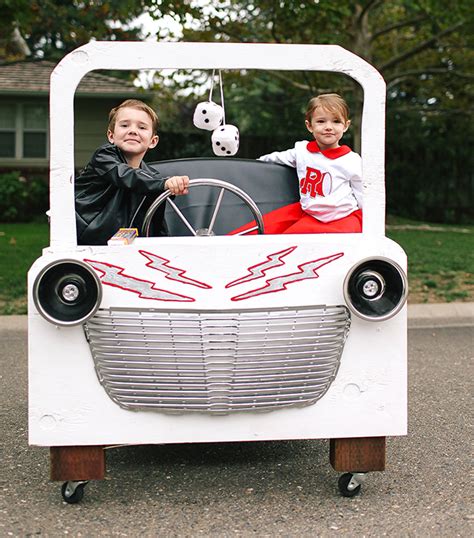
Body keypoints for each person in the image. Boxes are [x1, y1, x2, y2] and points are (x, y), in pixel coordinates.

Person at [231, 93, 362, 235]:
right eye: (321, 121)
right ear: (309, 125)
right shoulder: (302, 151)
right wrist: (255, 163)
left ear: (346, 125)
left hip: (343, 218)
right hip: (311, 216)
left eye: (336, 121)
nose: (328, 127)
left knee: (342, 247)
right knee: (284, 240)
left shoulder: (352, 160)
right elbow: (277, 158)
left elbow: (363, 193)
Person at [75, 99, 189, 245]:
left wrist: (164, 247)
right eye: (124, 125)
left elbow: (155, 220)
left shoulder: (151, 179)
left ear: (153, 141)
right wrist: (164, 183)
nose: (133, 131)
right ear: (111, 136)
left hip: (127, 246)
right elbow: (125, 175)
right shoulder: (104, 157)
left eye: (142, 127)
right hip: (89, 239)